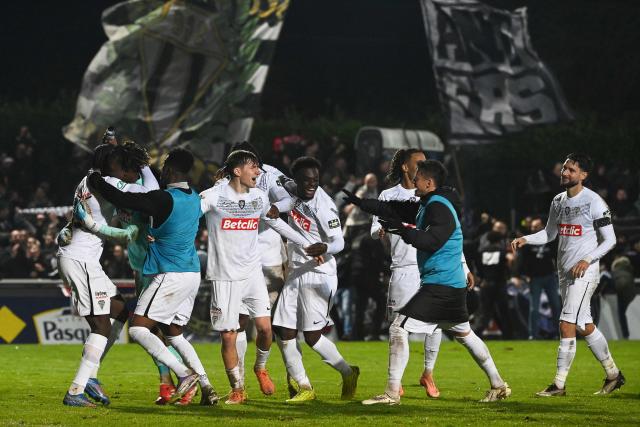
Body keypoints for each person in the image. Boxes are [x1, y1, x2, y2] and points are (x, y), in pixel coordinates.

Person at [344, 159, 510, 404]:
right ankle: (498, 385)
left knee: (398, 328)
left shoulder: (438, 207)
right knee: (465, 334)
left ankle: (391, 393)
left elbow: (432, 241)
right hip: (449, 285)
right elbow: (394, 209)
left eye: (418, 177)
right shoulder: (430, 203)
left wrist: (402, 230)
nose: (414, 180)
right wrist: (363, 204)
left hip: (441, 285)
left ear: (429, 182)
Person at [87, 147, 219, 406]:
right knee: (175, 334)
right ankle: (207, 386)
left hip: (169, 274)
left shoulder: (163, 199)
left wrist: (96, 180)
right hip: (192, 273)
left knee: (137, 329)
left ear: (168, 170)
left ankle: (183, 375)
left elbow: (124, 199)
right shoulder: (193, 197)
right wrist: (145, 165)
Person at [199, 150, 313, 405]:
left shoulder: (259, 197)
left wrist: (306, 244)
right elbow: (185, 217)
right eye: (253, 167)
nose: (259, 172)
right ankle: (237, 388)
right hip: (224, 276)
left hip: (252, 273)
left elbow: (277, 223)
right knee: (229, 334)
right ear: (237, 171)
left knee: (265, 328)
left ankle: (260, 367)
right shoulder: (212, 196)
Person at [512, 153, 625, 396]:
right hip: (564, 271)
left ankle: (559, 385)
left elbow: (610, 241)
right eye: (564, 168)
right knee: (585, 325)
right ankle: (614, 375)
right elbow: (549, 233)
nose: (565, 173)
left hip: (585, 271)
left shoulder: (595, 202)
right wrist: (526, 238)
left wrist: (587, 259)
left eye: (571, 170)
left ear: (583, 175)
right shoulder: (558, 201)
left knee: (566, 322)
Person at [272, 156, 360, 403]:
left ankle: (348, 371)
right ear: (296, 181)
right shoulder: (293, 191)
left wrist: (325, 248)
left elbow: (340, 241)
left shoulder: (325, 206)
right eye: (307, 180)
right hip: (296, 273)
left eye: (315, 181)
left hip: (319, 275)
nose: (312, 185)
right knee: (283, 330)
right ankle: (304, 386)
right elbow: (286, 192)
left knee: (311, 337)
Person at [57, 144, 135, 407]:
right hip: (81, 259)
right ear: (110, 166)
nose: (124, 168)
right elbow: (135, 191)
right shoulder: (110, 183)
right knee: (101, 325)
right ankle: (76, 390)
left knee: (121, 310)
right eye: (120, 163)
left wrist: (111, 143)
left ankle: (92, 376)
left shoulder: (88, 177)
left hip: (81, 256)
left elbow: (103, 161)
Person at [368, 148, 448, 398]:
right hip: (402, 269)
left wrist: (463, 265)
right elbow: (374, 227)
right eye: (419, 162)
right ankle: (396, 380)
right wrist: (379, 231)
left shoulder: (432, 195)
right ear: (405, 167)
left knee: (434, 326)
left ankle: (428, 373)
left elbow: (446, 233)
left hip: (429, 267)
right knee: (397, 326)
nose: (425, 166)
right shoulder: (388, 195)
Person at [220, 141, 293, 396]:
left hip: (270, 255)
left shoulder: (270, 176)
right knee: (237, 322)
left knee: (268, 325)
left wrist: (276, 209)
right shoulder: (223, 185)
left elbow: (289, 199)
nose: (254, 170)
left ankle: (269, 370)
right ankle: (238, 383)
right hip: (237, 260)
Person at [512, 218, 561, 339]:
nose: (534, 229)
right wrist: (517, 276)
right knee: (534, 308)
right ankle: (533, 335)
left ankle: (560, 333)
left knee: (556, 305)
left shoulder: (550, 239)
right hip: (535, 278)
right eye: (533, 227)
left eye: (537, 226)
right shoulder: (527, 241)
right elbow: (521, 259)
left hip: (549, 276)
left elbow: (557, 256)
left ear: (542, 226)